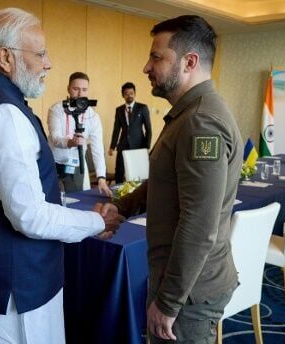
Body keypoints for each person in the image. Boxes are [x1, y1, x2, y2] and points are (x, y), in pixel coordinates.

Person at [0, 8, 122, 343]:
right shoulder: (5, 113)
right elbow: (30, 216)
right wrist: (96, 223)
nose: (48, 63)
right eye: (40, 53)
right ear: (5, 58)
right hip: (12, 297)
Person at [100, 15, 243, 343]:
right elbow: (168, 182)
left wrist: (168, 302)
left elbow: (199, 224)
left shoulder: (200, 121)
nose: (146, 67)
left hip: (189, 294)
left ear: (189, 62)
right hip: (184, 282)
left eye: (157, 57)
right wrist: (123, 205)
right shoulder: (188, 113)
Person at [48, 72, 112, 196]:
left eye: (84, 90)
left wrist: (101, 177)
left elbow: (97, 149)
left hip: (76, 164)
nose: (80, 94)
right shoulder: (56, 110)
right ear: (68, 88)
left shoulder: (92, 116)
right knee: (52, 201)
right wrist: (71, 142)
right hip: (54, 162)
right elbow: (55, 139)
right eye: (76, 89)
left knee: (75, 200)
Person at [108, 82, 152, 183]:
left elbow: (148, 129)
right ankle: (118, 194)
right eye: (127, 93)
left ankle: (136, 194)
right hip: (123, 145)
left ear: (135, 94)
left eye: (131, 93)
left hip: (138, 146)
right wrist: (112, 146)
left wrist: (147, 146)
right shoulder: (119, 110)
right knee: (119, 171)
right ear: (123, 95)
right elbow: (116, 129)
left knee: (137, 172)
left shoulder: (142, 108)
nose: (129, 95)